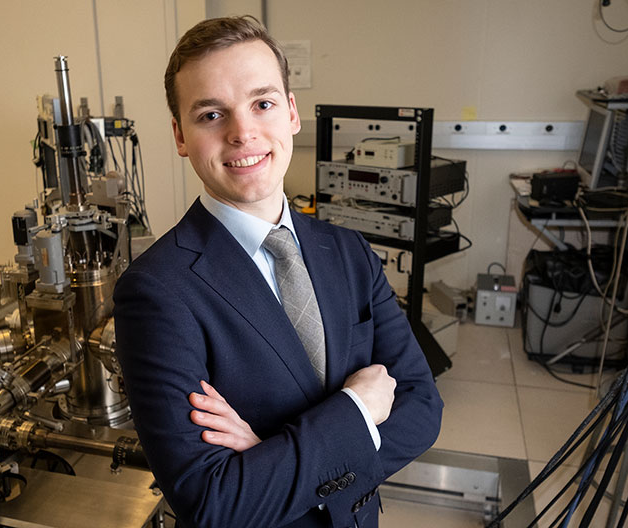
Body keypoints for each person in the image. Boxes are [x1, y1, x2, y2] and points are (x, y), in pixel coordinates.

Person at [113, 15, 442, 528]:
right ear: (179, 135)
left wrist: (267, 455)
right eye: (210, 115)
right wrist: (356, 411)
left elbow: (422, 410)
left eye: (262, 104)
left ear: (291, 112)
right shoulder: (156, 291)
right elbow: (213, 502)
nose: (243, 132)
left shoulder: (349, 252)